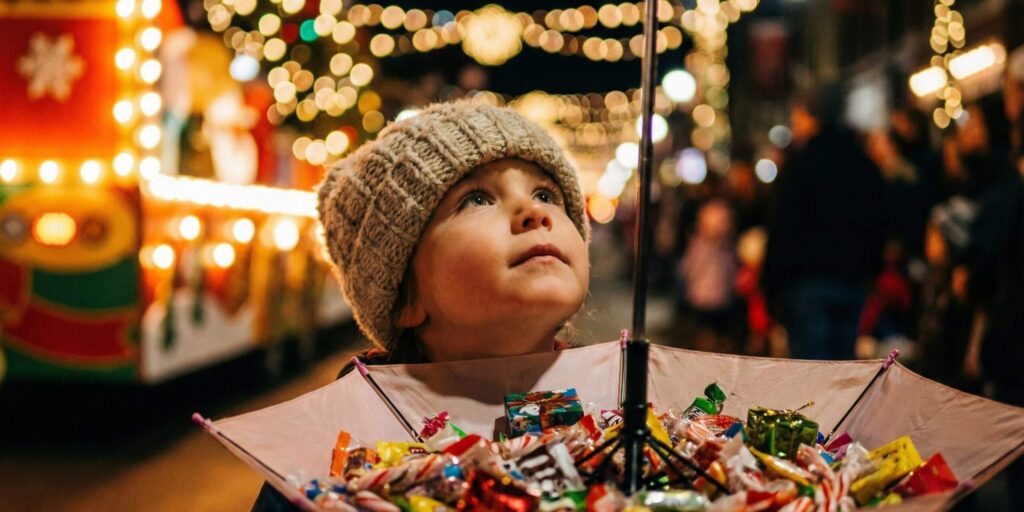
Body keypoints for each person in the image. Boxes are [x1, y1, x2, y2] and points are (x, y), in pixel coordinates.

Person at [253, 101, 591, 510]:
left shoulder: (623, 417)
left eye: (546, 193)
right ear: (407, 299)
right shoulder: (329, 468)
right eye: (476, 199)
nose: (534, 212)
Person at [762, 84, 886, 360]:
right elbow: (878, 221)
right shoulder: (863, 163)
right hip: (852, 279)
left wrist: (771, 283)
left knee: (813, 372)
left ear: (808, 115)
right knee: (842, 370)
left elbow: (784, 225)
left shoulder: (801, 164)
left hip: (807, 282)